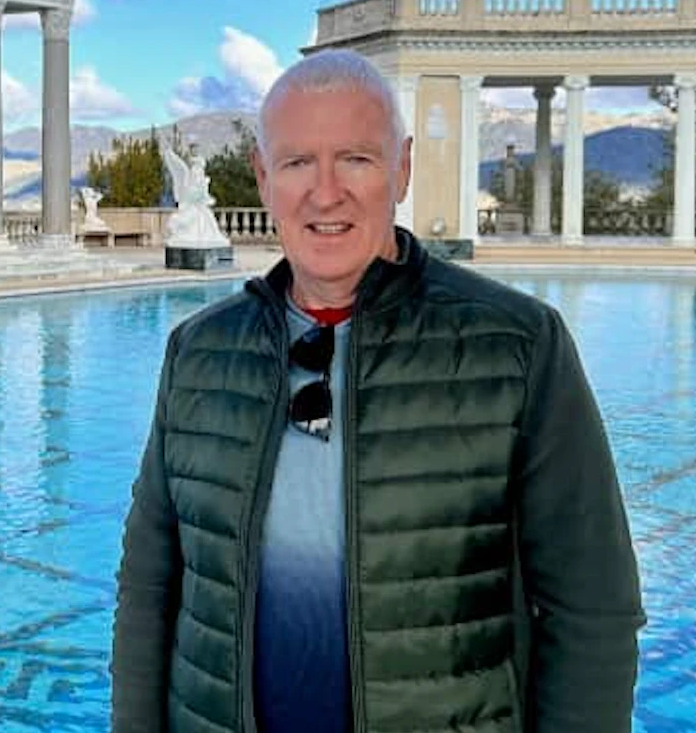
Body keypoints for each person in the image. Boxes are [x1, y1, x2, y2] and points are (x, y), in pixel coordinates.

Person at [110, 49, 646, 732]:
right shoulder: (199, 351)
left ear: (402, 168)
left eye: (356, 159)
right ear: (263, 176)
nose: (325, 192)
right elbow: (150, 588)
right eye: (298, 161)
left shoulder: (518, 346)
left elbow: (592, 605)